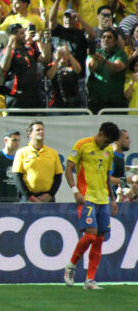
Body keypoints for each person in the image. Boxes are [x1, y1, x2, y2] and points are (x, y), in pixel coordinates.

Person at [63, 122, 121, 290]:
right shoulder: (82, 145)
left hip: (103, 199)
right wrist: (75, 191)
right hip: (87, 197)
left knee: (99, 239)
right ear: (100, 133)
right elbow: (69, 169)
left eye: (110, 143)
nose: (107, 145)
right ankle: (71, 265)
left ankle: (90, 280)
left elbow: (106, 176)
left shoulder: (109, 150)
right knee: (90, 236)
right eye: (106, 141)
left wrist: (112, 199)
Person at [12, 120, 63, 202]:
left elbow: (58, 176)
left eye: (42, 129)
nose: (41, 131)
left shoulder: (53, 153)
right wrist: (29, 196)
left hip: (48, 199)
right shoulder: (21, 152)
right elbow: (17, 177)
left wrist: (50, 194)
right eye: (38, 130)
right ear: (30, 134)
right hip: (28, 199)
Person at [0, 24, 47, 110]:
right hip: (16, 96)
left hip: (33, 95)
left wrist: (39, 42)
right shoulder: (8, 51)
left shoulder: (29, 49)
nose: (25, 35)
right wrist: (9, 45)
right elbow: (4, 67)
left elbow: (43, 59)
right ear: (13, 36)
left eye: (24, 32)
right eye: (21, 33)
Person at [86, 28, 127, 114]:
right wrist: (93, 57)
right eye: (103, 37)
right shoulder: (96, 53)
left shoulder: (120, 53)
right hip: (96, 101)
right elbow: (91, 67)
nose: (106, 39)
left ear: (115, 41)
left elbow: (118, 67)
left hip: (115, 102)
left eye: (109, 37)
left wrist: (103, 62)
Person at [46, 43, 83, 109]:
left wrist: (69, 54)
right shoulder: (51, 66)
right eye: (60, 52)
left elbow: (78, 70)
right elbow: (50, 76)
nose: (63, 55)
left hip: (74, 104)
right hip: (56, 104)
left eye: (64, 53)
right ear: (55, 54)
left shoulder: (73, 65)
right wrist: (57, 60)